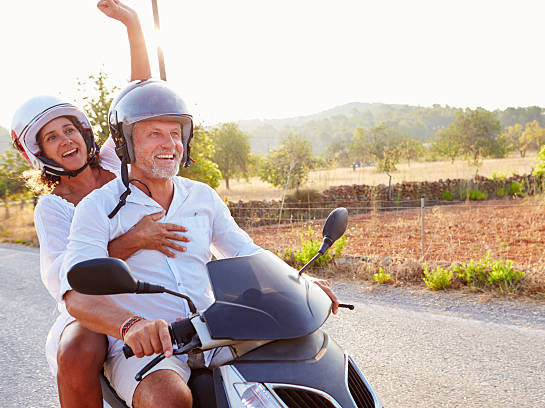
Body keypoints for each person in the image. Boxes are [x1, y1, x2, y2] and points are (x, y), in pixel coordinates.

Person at [59, 79, 340, 408]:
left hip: (216, 330)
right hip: (147, 347)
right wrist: (132, 325)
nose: (170, 144)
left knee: (300, 362)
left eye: (176, 133)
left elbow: (245, 252)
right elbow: (76, 294)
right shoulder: (97, 207)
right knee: (168, 398)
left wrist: (297, 279)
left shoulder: (202, 196)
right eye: (155, 134)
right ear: (125, 142)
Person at [11, 2, 189, 407]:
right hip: (94, 308)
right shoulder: (53, 208)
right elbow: (68, 282)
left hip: (153, 290)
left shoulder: (115, 160)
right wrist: (132, 240)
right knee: (78, 349)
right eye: (52, 138)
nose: (66, 141)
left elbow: (140, 93)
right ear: (40, 151)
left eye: (69, 129)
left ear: (85, 131)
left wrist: (132, 24)